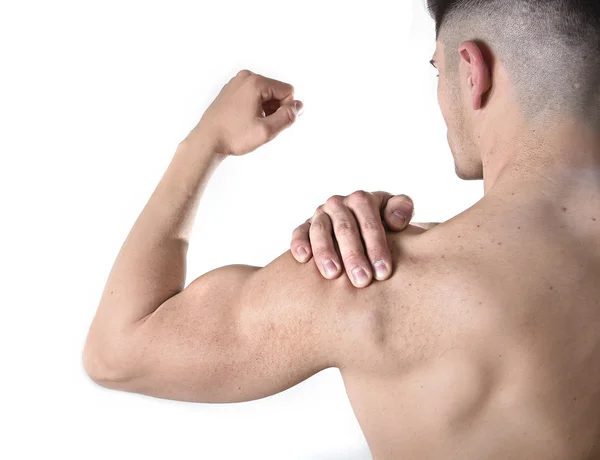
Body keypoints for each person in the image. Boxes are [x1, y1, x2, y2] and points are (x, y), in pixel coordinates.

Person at [83, 0, 600, 458]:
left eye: (435, 70)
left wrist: (205, 142)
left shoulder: (372, 279)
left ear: (473, 71)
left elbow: (116, 351)